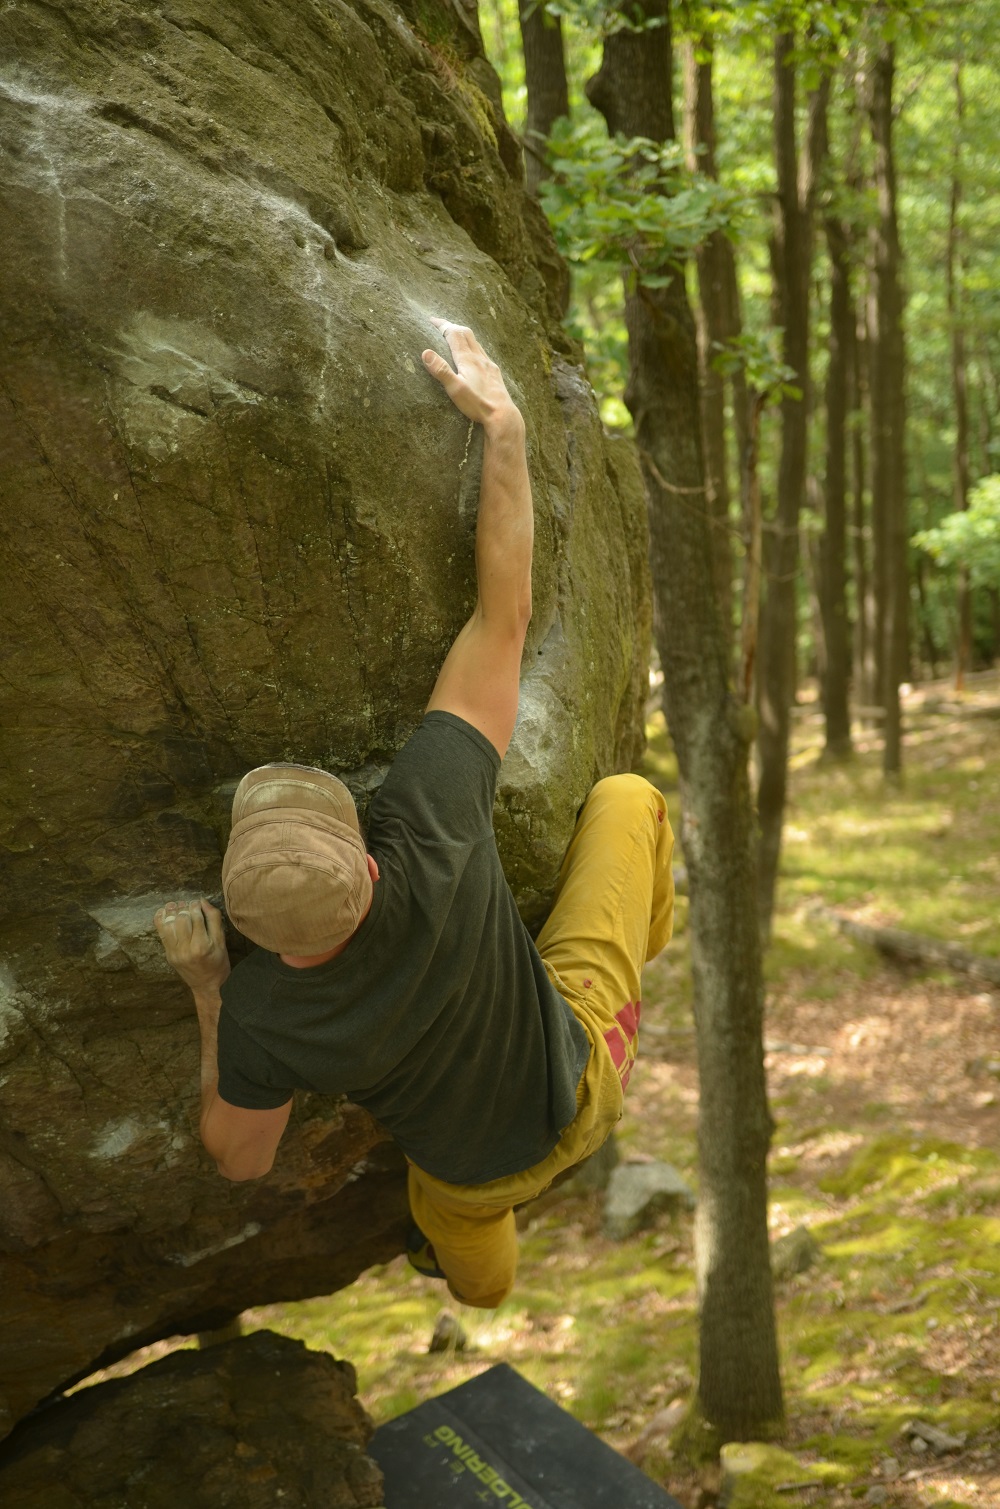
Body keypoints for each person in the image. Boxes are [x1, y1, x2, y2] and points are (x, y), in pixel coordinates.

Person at [154, 320, 674, 1309]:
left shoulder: (265, 1014)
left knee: (480, 1290)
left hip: (465, 1186)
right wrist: (504, 432)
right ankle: (652, 943)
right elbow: (502, 619)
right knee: (627, 798)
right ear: (372, 863)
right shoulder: (430, 823)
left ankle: (462, 1268)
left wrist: (212, 987)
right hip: (582, 1071)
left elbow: (241, 1159)